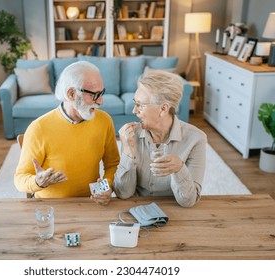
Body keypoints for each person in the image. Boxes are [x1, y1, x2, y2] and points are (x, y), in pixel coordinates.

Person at [14, 61, 119, 205]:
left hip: (92, 204)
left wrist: (106, 187)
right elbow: (20, 179)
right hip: (51, 206)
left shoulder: (104, 120)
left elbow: (113, 164)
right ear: (71, 94)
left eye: (101, 93)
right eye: (94, 95)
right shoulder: (38, 128)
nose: (100, 101)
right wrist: (38, 181)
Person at [114, 70, 207, 207]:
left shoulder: (196, 139)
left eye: (140, 105)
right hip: (136, 210)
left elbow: (188, 201)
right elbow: (123, 193)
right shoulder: (132, 135)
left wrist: (179, 169)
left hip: (174, 212)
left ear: (163, 109)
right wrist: (128, 151)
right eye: (135, 103)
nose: (134, 111)